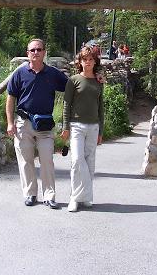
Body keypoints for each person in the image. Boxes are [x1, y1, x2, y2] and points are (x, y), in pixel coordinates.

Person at [6, 38, 68, 209]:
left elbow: (72, 87)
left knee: (47, 159)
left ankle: (49, 196)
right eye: (32, 50)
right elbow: (10, 100)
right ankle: (30, 194)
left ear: (44, 52)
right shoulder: (19, 74)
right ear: (27, 53)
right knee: (25, 161)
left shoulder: (53, 74)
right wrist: (10, 123)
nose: (36, 52)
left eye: (39, 49)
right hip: (23, 123)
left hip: (45, 125)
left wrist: (94, 78)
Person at [61, 46, 104, 212]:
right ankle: (76, 197)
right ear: (80, 62)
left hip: (93, 126)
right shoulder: (73, 80)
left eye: (91, 59)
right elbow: (66, 105)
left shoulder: (99, 81)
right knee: (77, 160)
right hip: (76, 125)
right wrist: (65, 127)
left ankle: (84, 198)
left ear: (95, 62)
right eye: (84, 59)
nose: (88, 62)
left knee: (90, 162)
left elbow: (101, 107)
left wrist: (101, 130)